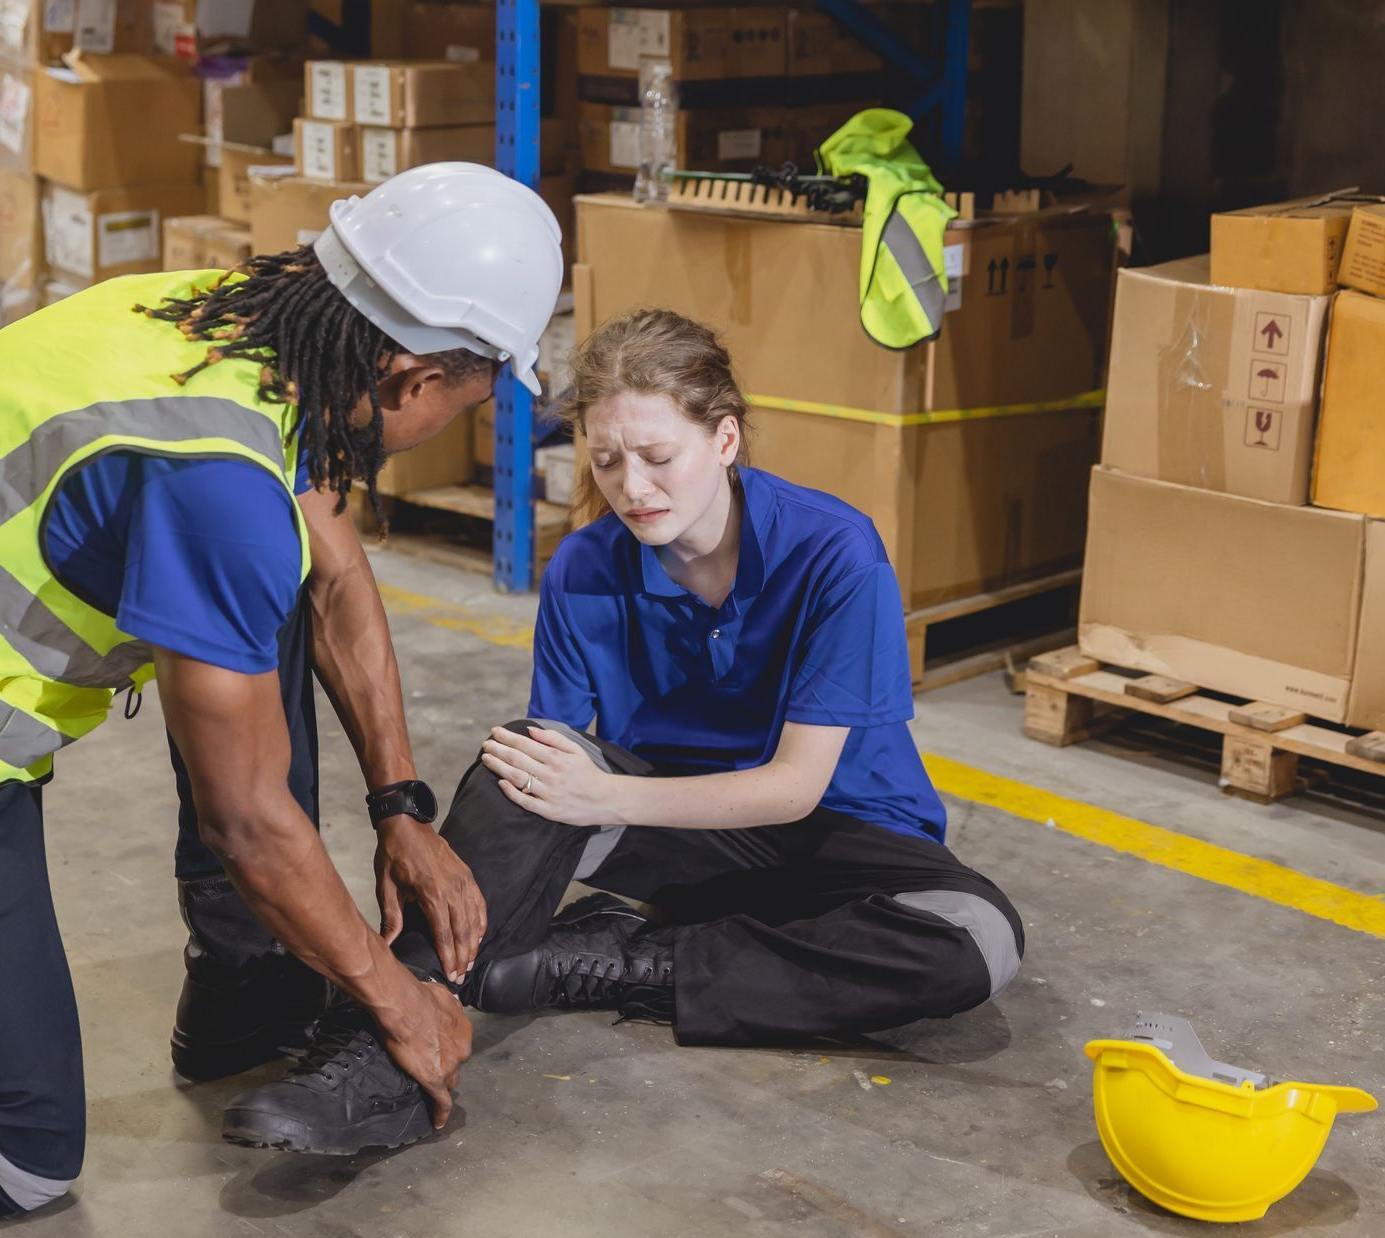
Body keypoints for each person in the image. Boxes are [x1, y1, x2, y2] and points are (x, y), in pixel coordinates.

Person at [0, 163, 561, 1216]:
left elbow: (331, 577)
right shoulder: (215, 486)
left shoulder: (223, 318)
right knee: (10, 1149)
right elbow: (248, 821)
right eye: (472, 401)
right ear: (414, 374)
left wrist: (400, 805)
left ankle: (245, 988)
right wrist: (398, 1000)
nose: (459, 423)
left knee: (263, 583)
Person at [221, 308, 1023, 1155]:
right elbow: (544, 778)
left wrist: (603, 794)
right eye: (606, 460)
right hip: (688, 844)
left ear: (724, 439)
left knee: (978, 942)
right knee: (522, 762)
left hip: (842, 841)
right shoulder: (584, 566)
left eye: (658, 457)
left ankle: (618, 960)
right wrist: (543, 802)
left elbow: (796, 788)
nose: (633, 487)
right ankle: (380, 1044)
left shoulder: (833, 553)